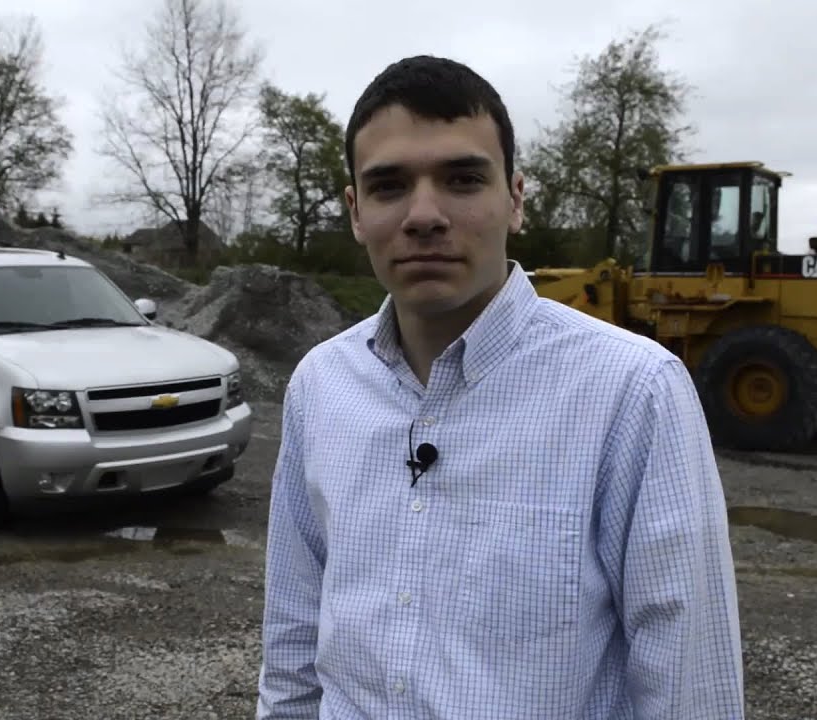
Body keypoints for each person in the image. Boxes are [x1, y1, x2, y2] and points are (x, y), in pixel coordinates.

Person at [256, 54, 744, 719]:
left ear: (515, 198)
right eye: (390, 186)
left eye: (462, 179)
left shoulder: (632, 392)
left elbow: (688, 684)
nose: (423, 215)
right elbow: (293, 632)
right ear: (355, 211)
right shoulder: (321, 385)